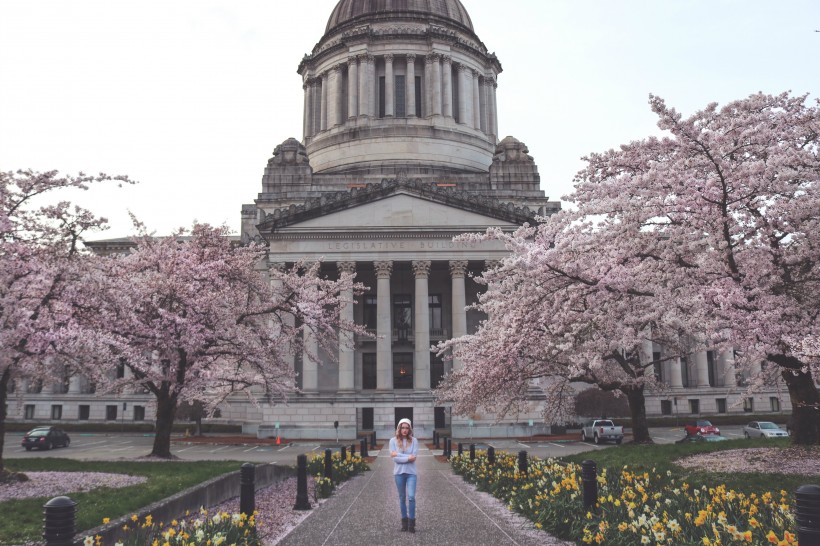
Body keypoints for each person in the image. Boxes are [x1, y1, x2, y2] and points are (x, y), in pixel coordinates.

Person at [389, 417, 418, 533]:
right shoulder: (392, 441)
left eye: (407, 428)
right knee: (402, 498)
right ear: (399, 429)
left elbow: (413, 458)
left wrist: (398, 455)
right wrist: (406, 457)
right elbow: (395, 459)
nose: (405, 430)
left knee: (411, 497)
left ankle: (411, 523)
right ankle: (404, 523)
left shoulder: (414, 441)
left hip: (411, 473)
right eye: (403, 428)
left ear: (410, 429)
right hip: (399, 473)